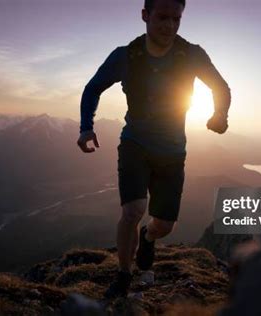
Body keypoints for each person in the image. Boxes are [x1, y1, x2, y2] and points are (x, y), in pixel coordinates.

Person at [77, 0, 231, 299]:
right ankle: (123, 275)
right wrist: (86, 126)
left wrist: (220, 114)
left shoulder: (192, 54)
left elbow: (220, 87)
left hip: (173, 153)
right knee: (133, 210)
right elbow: (92, 88)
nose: (169, 26)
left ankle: (148, 238)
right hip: (134, 143)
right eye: (162, 17)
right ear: (145, 15)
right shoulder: (126, 56)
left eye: (176, 19)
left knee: (165, 225)